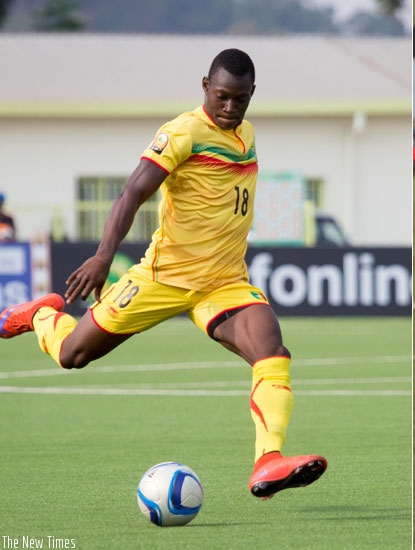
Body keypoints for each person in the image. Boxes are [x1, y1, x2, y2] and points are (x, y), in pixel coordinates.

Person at [0, 48, 326, 500]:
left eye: (240, 99)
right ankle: (39, 314)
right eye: (222, 96)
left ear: (253, 94)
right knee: (73, 355)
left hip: (224, 282)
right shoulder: (182, 132)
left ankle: (268, 461)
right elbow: (132, 193)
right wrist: (103, 256)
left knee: (272, 352)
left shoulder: (246, 133)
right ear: (205, 87)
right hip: (163, 278)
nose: (230, 107)